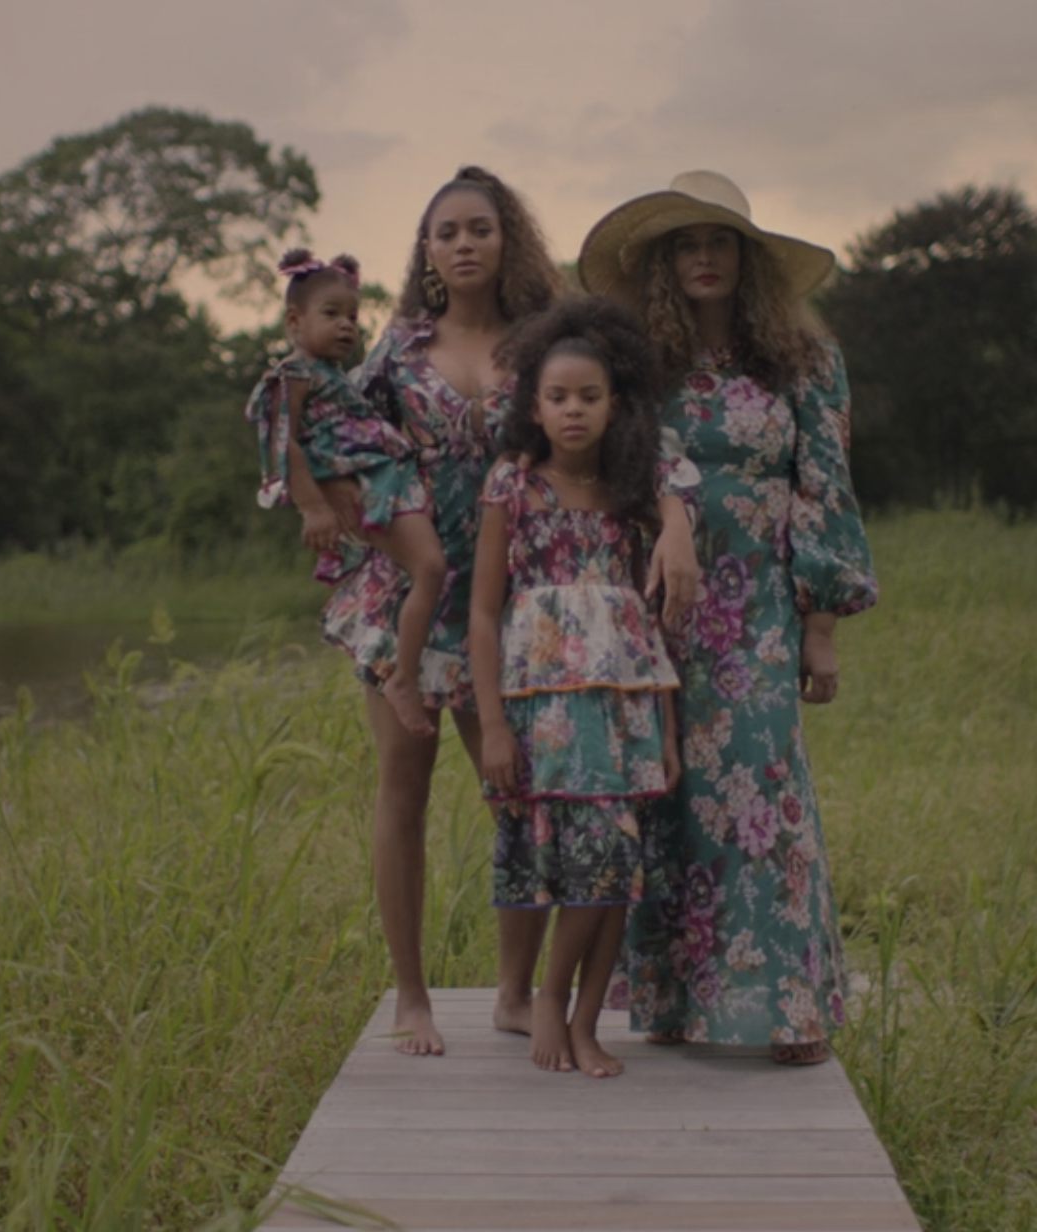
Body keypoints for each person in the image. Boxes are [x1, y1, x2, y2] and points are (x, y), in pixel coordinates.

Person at [318, 167, 700, 1055]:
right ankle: (411, 994)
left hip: (522, 606)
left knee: (522, 795)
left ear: (506, 237)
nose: (463, 244)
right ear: (426, 248)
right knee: (402, 790)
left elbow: (643, 435)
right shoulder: (396, 353)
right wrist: (329, 508)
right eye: (445, 230)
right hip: (414, 595)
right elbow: (334, 436)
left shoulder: (543, 344)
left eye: (479, 228)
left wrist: (675, 515)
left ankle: (513, 992)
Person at [579, 170, 878, 1065]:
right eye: (685, 245)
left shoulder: (805, 362)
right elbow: (612, 467)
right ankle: (674, 1000)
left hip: (759, 606)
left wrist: (821, 624)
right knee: (665, 792)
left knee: (761, 789)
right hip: (657, 602)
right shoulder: (638, 364)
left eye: (718, 242)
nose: (703, 258)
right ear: (664, 265)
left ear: (746, 260)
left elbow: (826, 487)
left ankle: (788, 1007)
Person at [469, 299, 680, 1078]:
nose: (573, 410)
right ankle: (548, 1002)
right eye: (558, 396)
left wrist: (662, 724)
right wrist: (491, 725)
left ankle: (584, 1018)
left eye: (589, 396)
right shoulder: (512, 487)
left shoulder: (629, 494)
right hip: (543, 715)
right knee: (571, 863)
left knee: (617, 867)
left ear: (613, 404)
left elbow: (640, 626)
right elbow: (484, 615)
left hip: (620, 712)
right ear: (534, 404)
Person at [245, 248, 445, 738]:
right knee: (430, 568)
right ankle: (402, 677)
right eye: (331, 314)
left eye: (353, 317)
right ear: (294, 320)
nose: (346, 326)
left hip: (384, 478)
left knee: (423, 571)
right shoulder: (292, 375)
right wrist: (312, 507)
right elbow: (280, 439)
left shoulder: (332, 374)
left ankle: (399, 662)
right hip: (364, 487)